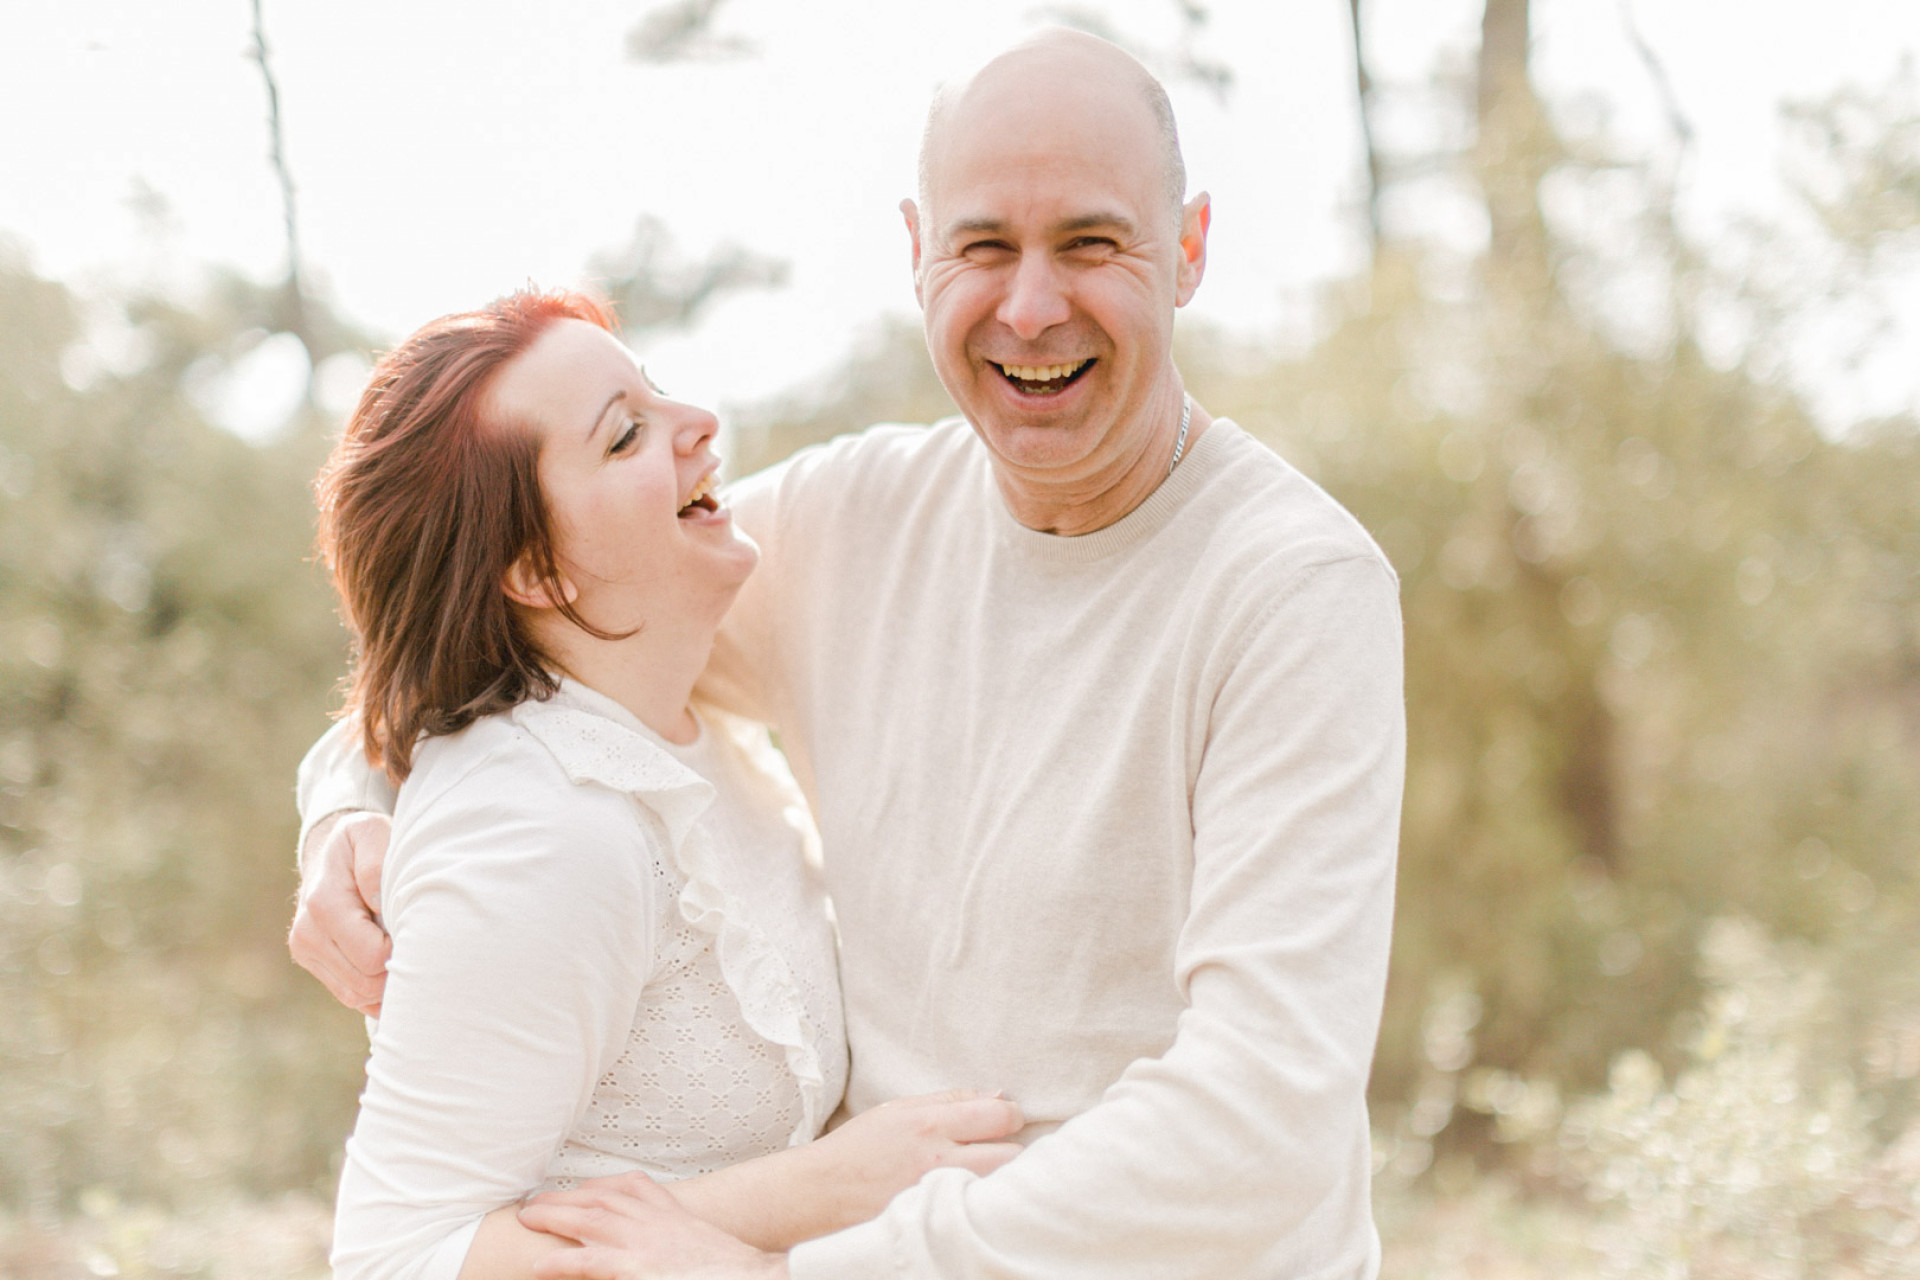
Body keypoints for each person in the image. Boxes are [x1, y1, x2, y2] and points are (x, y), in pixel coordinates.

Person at [295, 28, 1405, 1279]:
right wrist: (346, 805)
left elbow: (1264, 1122)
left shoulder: (1295, 591)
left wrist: (796, 1263)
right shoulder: (853, 520)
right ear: (918, 254)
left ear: (1191, 247)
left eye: (1091, 243)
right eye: (984, 247)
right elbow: (521, 636)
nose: (1031, 305)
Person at [305, 289, 1023, 1280]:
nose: (700, 427)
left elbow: (395, 707)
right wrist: (813, 1189)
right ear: (536, 570)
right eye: (626, 435)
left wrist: (341, 795)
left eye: (657, 392)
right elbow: (393, 1256)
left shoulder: (668, 708)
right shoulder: (544, 827)